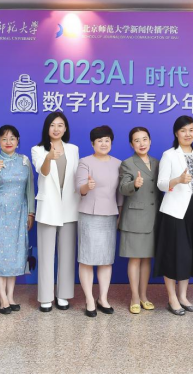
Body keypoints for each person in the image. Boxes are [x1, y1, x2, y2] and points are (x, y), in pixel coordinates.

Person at [155, 116, 193, 316]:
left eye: (191, 130)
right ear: (176, 133)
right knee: (173, 254)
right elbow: (161, 184)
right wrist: (177, 180)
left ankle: (183, 296)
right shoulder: (169, 155)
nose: (188, 134)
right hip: (174, 211)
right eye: (183, 130)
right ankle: (172, 298)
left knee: (188, 255)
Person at [0, 125, 35, 314]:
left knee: (15, 256)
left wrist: (31, 212)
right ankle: (2, 298)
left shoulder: (24, 161)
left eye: (12, 138)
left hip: (18, 215)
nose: (8, 142)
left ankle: (11, 296)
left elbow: (30, 188)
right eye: (4, 139)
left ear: (18, 141)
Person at [31, 112, 80, 312]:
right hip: (48, 206)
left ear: (65, 128)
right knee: (45, 254)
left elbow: (75, 176)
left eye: (60, 125)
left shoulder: (73, 149)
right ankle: (45, 297)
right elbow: (42, 171)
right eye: (52, 125)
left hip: (69, 205)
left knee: (67, 254)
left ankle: (63, 295)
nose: (56, 129)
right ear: (47, 128)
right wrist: (49, 158)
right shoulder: (38, 149)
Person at [75, 125, 123, 317]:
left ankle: (103, 298)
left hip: (110, 214)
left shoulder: (118, 163)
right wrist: (88, 185)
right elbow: (80, 188)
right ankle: (89, 299)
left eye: (107, 140)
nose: (103, 144)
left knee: (105, 259)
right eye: (99, 140)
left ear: (111, 142)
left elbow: (120, 193)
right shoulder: (85, 162)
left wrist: (120, 213)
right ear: (92, 143)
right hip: (89, 214)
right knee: (87, 259)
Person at [119, 127, 161, 314]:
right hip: (135, 218)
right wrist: (134, 185)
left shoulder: (157, 162)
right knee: (135, 259)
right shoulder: (127, 163)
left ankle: (144, 296)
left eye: (145, 139)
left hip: (154, 218)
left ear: (150, 141)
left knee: (146, 259)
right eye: (137, 140)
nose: (142, 143)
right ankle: (134, 297)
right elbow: (122, 187)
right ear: (131, 144)